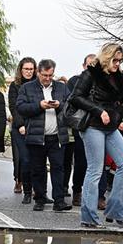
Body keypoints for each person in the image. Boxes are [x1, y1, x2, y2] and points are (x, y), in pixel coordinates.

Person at [68, 43, 123, 228]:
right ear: (106, 57)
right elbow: (75, 97)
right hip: (92, 125)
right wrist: (99, 111)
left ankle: (116, 212)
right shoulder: (91, 73)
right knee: (95, 170)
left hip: (110, 127)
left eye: (120, 60)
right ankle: (88, 218)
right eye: (115, 60)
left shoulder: (118, 75)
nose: (118, 64)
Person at [15, 59, 71, 211]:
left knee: (58, 168)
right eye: (44, 75)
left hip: (57, 136)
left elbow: (71, 108)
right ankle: (39, 199)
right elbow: (20, 108)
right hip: (36, 136)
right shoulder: (27, 88)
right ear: (38, 72)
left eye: (50, 75)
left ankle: (59, 201)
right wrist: (39, 106)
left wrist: (59, 106)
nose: (47, 78)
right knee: (38, 169)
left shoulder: (62, 88)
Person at [64, 53, 97, 205]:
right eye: (89, 65)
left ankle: (98, 195)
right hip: (81, 125)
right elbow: (72, 101)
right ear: (84, 66)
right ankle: (77, 190)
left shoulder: (103, 82)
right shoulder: (74, 81)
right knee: (81, 161)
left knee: (98, 163)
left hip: (98, 124)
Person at [7, 58, 36, 202]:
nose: (29, 72)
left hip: (36, 126)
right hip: (20, 127)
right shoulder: (15, 86)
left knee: (37, 159)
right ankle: (26, 189)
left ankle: (38, 189)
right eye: (26, 69)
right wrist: (20, 125)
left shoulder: (37, 85)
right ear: (21, 70)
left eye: (31, 69)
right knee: (24, 159)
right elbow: (14, 107)